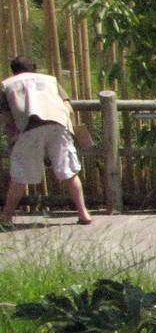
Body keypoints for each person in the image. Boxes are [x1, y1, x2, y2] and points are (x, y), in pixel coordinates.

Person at [2, 56, 93, 228]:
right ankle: (84, 213)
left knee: (20, 175)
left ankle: (6, 217)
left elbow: (7, 117)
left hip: (29, 127)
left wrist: (12, 136)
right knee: (69, 171)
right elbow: (68, 107)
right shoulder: (50, 80)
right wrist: (72, 130)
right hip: (59, 124)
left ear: (13, 70)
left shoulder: (8, 84)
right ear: (34, 68)